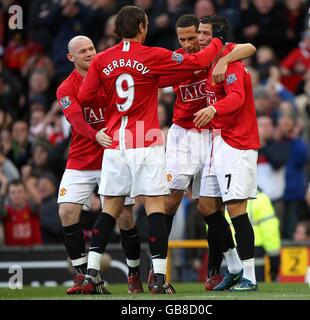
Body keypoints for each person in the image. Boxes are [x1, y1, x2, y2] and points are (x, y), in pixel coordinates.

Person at [78, 5, 224, 294]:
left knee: (110, 209)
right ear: (142, 28)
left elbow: (84, 97)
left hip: (116, 143)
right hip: (145, 141)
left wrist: (109, 104)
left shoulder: (102, 60)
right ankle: (158, 278)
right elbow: (198, 62)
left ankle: (89, 274)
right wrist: (218, 40)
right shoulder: (153, 55)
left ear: (117, 29)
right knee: (156, 206)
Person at [159, 13, 256, 291]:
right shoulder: (179, 59)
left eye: (200, 35)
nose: (194, 42)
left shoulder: (224, 56)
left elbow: (250, 47)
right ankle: (158, 271)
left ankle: (218, 271)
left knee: (216, 205)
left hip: (217, 136)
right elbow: (153, 76)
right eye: (188, 38)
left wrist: (225, 59)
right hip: (186, 134)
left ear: (214, 37)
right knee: (177, 202)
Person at [56, 35, 143, 295]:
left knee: (125, 216)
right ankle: (83, 277)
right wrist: (95, 134)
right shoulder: (66, 88)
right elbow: (75, 119)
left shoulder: (110, 77)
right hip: (81, 158)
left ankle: (134, 274)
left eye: (91, 48)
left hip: (113, 157)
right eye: (82, 51)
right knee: (66, 212)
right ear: (71, 57)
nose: (89, 53)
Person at [194, 15, 261, 291]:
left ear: (218, 36)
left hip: (237, 142)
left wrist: (213, 109)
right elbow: (249, 47)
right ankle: (232, 265)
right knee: (206, 205)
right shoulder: (213, 58)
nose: (200, 38)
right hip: (217, 141)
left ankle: (250, 276)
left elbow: (237, 98)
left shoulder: (231, 61)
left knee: (236, 208)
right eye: (199, 32)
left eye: (205, 33)